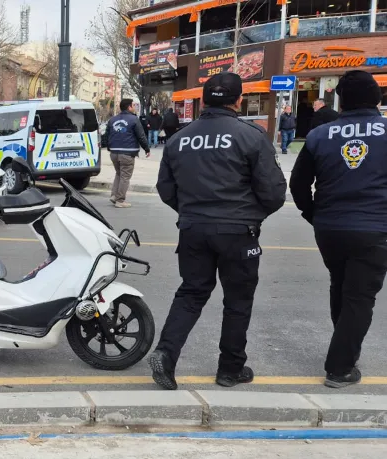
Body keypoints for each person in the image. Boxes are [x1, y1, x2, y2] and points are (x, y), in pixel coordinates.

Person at [149, 72, 287, 390]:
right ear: (239, 100)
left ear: (203, 100)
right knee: (237, 300)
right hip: (238, 231)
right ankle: (230, 369)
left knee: (191, 292)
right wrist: (251, 216)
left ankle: (166, 354)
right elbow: (273, 192)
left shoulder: (179, 139)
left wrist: (191, 213)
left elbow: (166, 189)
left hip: (193, 228)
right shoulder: (251, 136)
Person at [289, 70, 387, 388]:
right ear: (377, 99)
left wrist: (313, 214)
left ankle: (344, 348)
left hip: (330, 227)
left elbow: (298, 183)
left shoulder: (320, 135)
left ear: (341, 102)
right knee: (359, 297)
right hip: (374, 227)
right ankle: (340, 367)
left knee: (341, 286)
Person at [102, 98, 151, 209]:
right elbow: (141, 136)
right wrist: (146, 149)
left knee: (119, 174)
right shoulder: (134, 119)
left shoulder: (112, 119)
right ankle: (120, 200)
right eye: (133, 105)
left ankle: (114, 196)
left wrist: (109, 148)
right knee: (125, 177)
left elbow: (106, 136)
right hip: (127, 153)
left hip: (114, 152)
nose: (134, 107)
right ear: (129, 107)